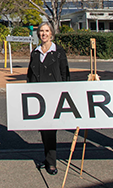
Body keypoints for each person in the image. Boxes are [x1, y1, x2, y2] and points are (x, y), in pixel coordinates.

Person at [27, 21, 70, 175]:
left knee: (51, 130)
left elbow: (65, 74)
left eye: (46, 31)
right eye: (41, 31)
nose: (44, 33)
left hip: (54, 96)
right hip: (39, 98)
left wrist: (65, 93)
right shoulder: (35, 52)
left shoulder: (58, 51)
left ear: (51, 33)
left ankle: (51, 163)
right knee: (44, 130)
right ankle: (48, 158)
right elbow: (30, 75)